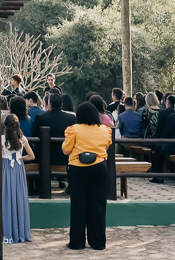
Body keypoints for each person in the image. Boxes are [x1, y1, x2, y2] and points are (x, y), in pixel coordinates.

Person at [62, 102, 112, 251]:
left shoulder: (74, 130)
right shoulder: (105, 130)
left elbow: (66, 150)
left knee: (78, 204)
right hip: (99, 168)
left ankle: (77, 242)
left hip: (78, 168)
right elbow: (106, 146)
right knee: (98, 205)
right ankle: (98, 242)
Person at [1, 113, 34, 243]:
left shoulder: (2, 139)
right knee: (20, 199)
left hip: (7, 168)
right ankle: (22, 233)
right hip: (19, 169)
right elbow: (32, 156)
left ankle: (9, 234)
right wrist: (20, 158)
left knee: (8, 199)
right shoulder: (22, 138)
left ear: (5, 126)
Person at [35, 93, 76, 171]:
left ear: (49, 105)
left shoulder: (41, 117)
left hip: (46, 156)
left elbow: (35, 134)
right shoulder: (71, 118)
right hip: (66, 155)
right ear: (61, 104)